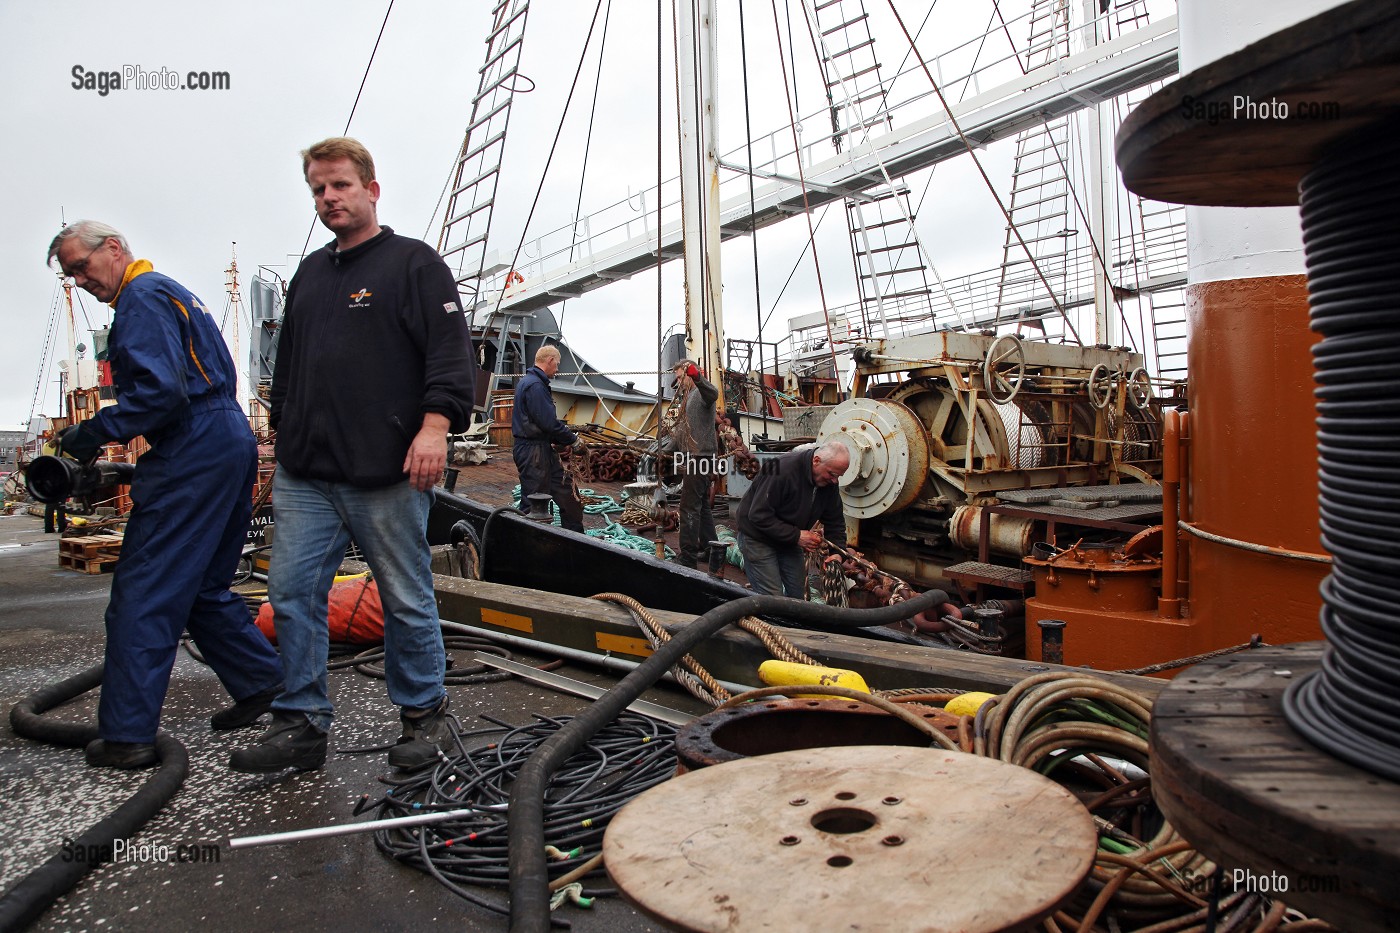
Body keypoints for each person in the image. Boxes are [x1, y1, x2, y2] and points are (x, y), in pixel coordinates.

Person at [231, 137, 477, 774]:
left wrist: (433, 428)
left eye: (339, 185)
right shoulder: (310, 275)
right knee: (290, 594)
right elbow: (287, 366)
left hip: (388, 470)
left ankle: (423, 714)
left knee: (404, 595)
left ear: (371, 189)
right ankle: (301, 720)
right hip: (307, 473)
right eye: (317, 189)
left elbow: (451, 356)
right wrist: (284, 425)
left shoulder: (414, 265)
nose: (327, 198)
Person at [46, 221, 285, 769]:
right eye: (71, 274)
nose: (80, 281)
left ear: (113, 248)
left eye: (81, 266)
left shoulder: (140, 298)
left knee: (144, 592)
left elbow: (160, 393)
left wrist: (90, 433)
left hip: (193, 444)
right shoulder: (176, 293)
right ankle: (264, 684)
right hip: (228, 441)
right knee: (204, 587)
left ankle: (128, 734)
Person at [735, 441, 851, 598]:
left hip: (788, 540)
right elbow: (758, 515)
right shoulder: (781, 468)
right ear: (816, 460)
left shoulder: (828, 482)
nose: (835, 481)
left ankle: (791, 622)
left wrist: (837, 553)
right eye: (832, 474)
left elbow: (835, 521)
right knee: (772, 599)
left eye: (839, 476)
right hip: (758, 538)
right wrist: (797, 536)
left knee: (799, 595)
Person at [511, 345, 585, 533]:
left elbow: (544, 422)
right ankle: (530, 543)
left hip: (542, 450)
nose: (558, 369)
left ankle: (576, 539)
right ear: (550, 360)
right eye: (557, 364)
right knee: (535, 504)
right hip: (532, 452)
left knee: (568, 494)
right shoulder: (535, 385)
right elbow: (548, 423)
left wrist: (560, 441)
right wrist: (573, 441)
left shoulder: (533, 383)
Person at [665, 359, 719, 569]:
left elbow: (713, 393)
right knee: (702, 505)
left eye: (680, 377)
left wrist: (698, 377)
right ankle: (710, 548)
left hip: (700, 457)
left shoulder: (702, 394)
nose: (678, 381)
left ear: (690, 374)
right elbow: (681, 432)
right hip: (694, 456)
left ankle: (688, 556)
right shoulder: (688, 398)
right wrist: (665, 452)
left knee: (688, 506)